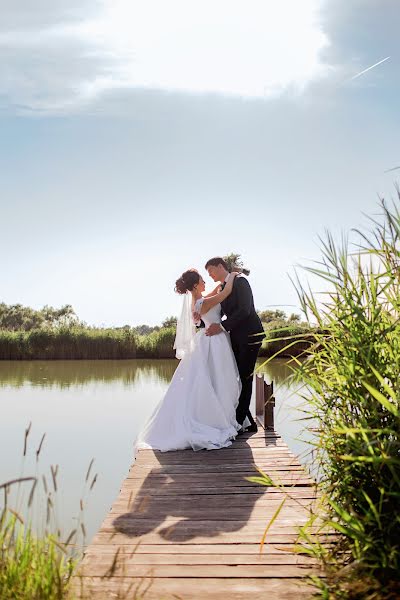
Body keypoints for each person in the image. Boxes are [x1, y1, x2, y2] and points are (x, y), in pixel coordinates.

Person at [136, 269, 242, 452]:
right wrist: (231, 276)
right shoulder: (203, 302)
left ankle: (220, 413)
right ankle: (214, 417)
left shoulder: (198, 300)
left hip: (208, 339)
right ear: (195, 285)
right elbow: (225, 293)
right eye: (202, 279)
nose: (205, 281)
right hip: (213, 341)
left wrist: (221, 281)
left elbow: (215, 291)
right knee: (216, 378)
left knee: (212, 379)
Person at [203, 257, 265, 431]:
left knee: (245, 377)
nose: (210, 275)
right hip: (235, 337)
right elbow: (218, 311)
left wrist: (221, 327)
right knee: (235, 377)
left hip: (251, 335)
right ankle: (247, 421)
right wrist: (203, 322)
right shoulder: (224, 287)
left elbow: (245, 310)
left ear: (220, 266)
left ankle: (238, 422)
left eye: (211, 271)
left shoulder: (241, 281)